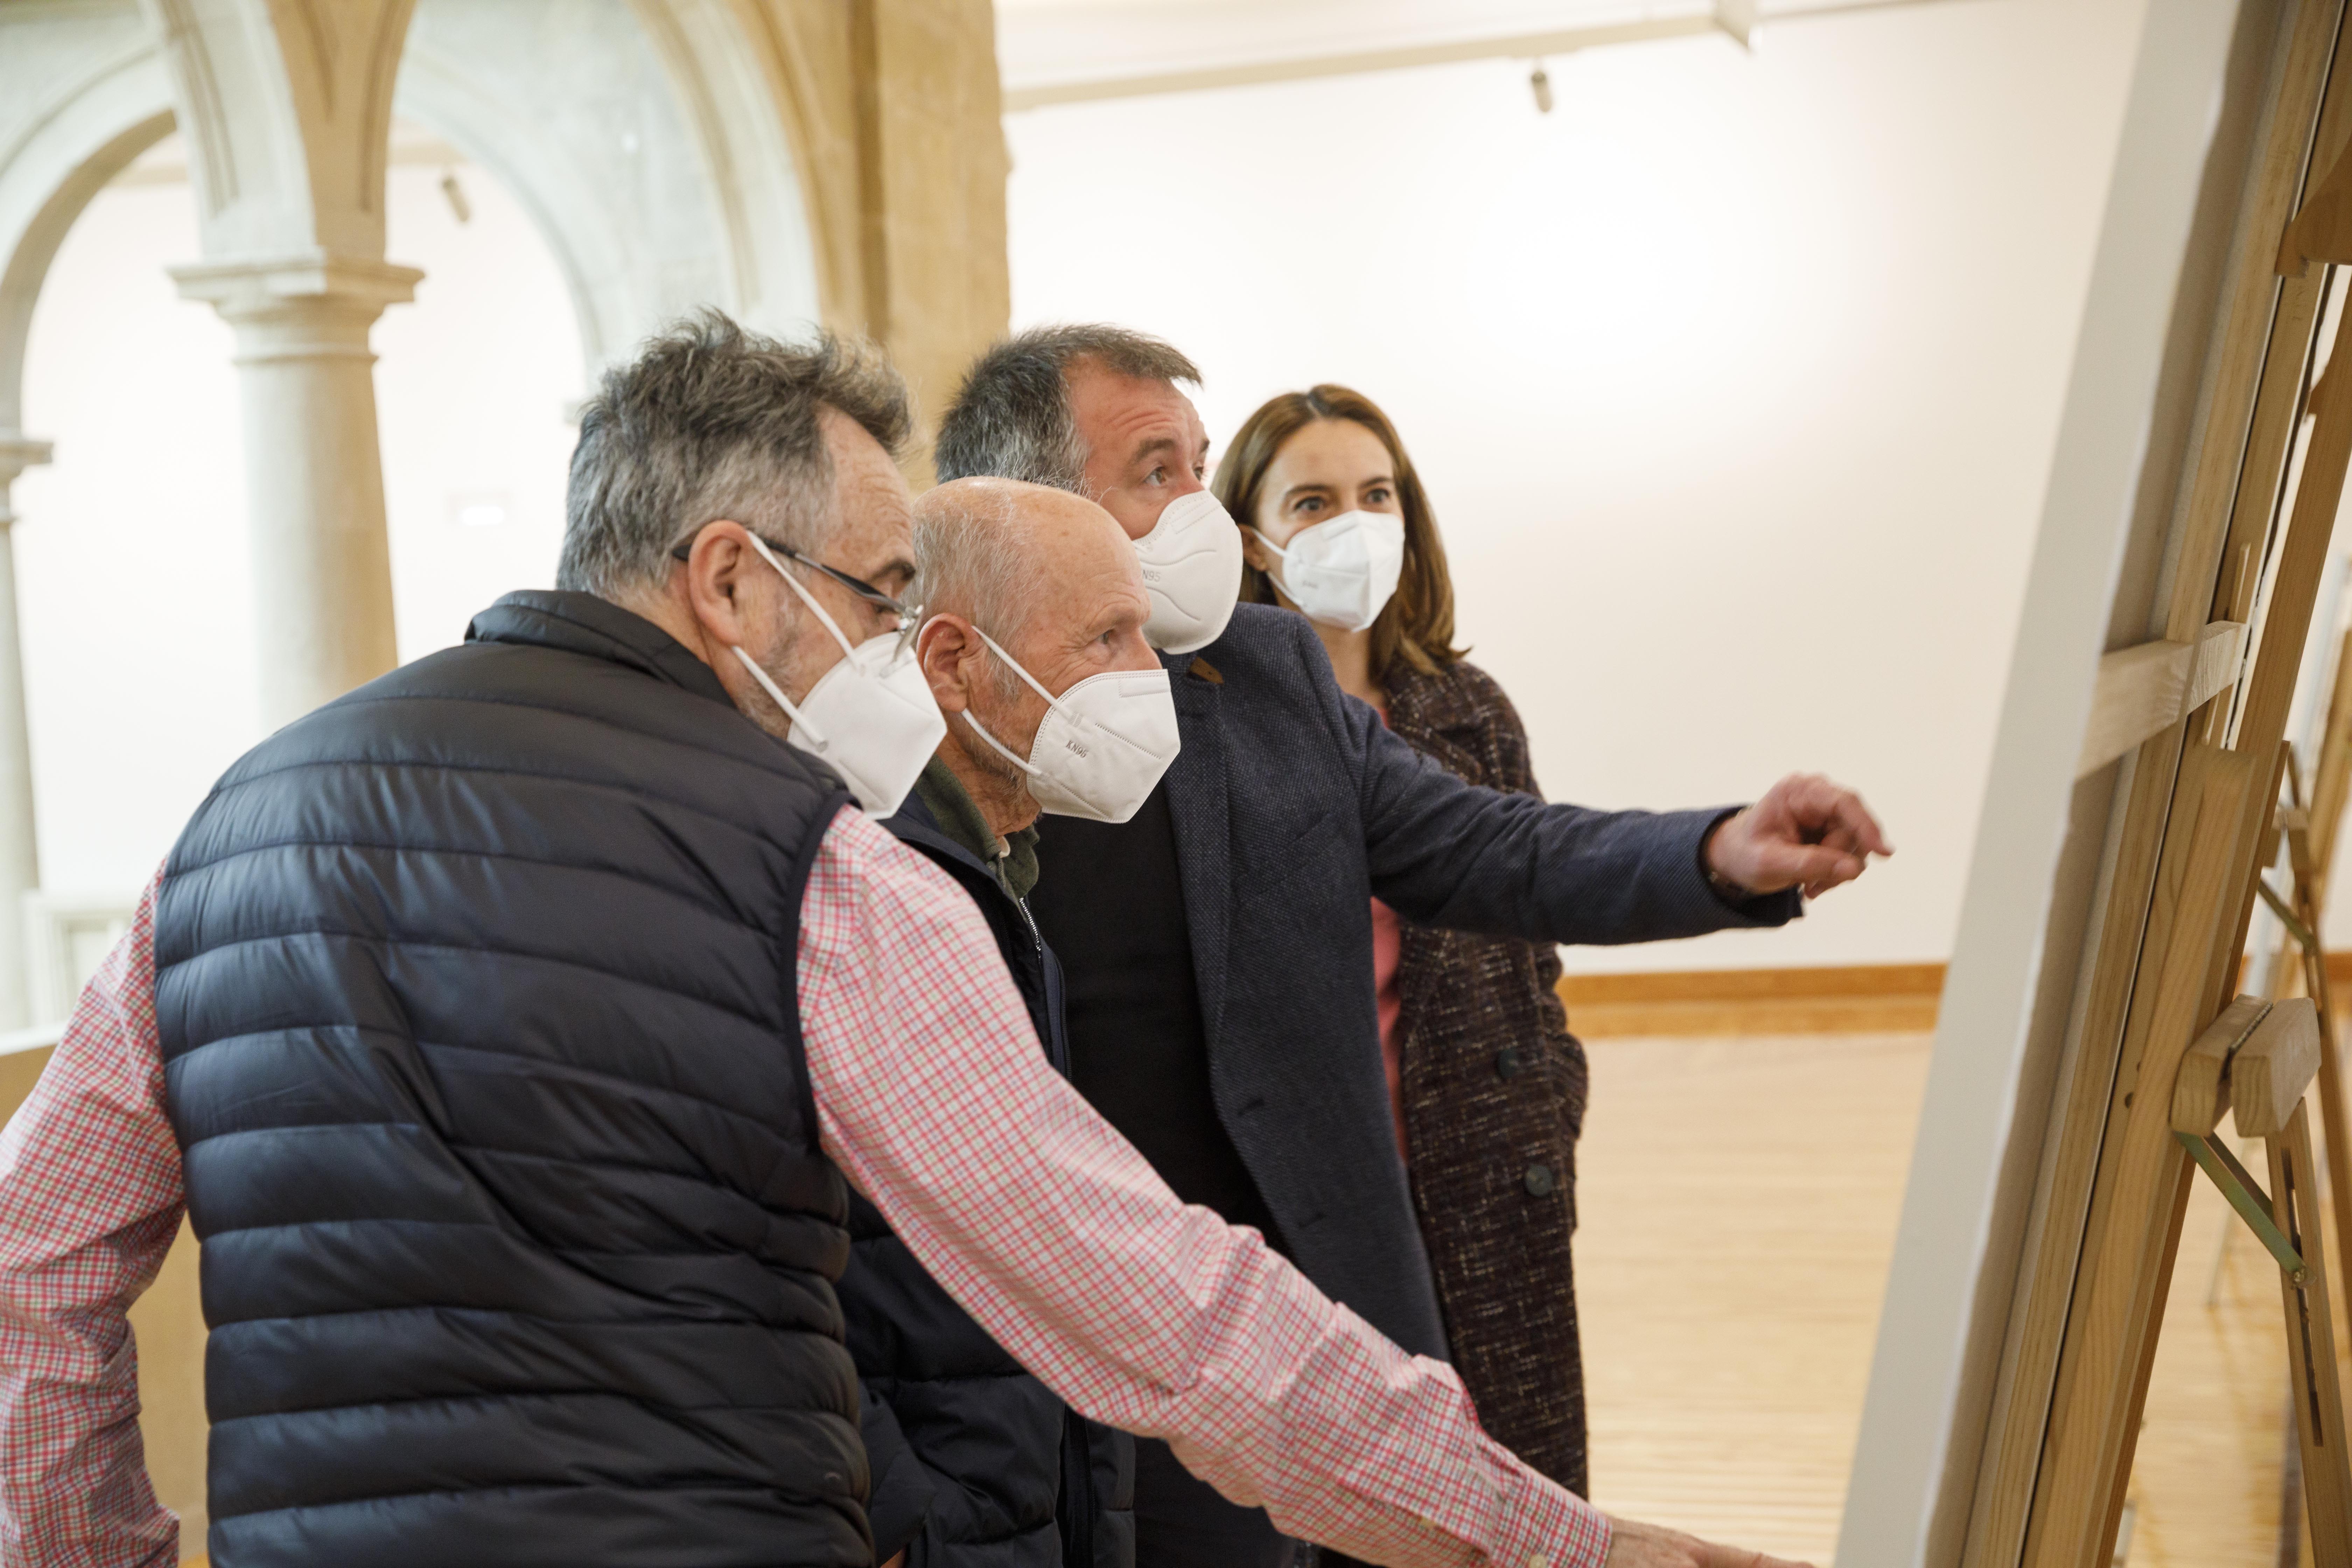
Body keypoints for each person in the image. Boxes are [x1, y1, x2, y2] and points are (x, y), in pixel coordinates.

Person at [0, 312, 1809, 1568]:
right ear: (727, 575)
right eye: (876, 594)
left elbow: (34, 1278)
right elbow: (1152, 1307)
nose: (899, 648)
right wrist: (1542, 1536)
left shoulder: (236, 822)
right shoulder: (816, 869)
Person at [933, 324, 1890, 1568]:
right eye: (1155, 469)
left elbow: (1492, 847)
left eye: (1198, 463)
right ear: (1034, 509)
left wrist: (1718, 854)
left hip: (1338, 1289)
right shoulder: (942, 740)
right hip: (1118, 1335)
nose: (1198, 510)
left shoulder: (1265, 671)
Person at [1215, 382, 1590, 1495]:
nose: (1356, 525)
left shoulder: (1468, 709)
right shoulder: (1217, 724)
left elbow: (1534, 945)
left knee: (1517, 1489)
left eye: (1377, 495)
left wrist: (1552, 1105)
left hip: (1480, 1167)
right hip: (1314, 1188)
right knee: (1358, 1498)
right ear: (1255, 539)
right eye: (1315, 501)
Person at [845, 475, 1164, 1568]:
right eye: (1106, 638)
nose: (1148, 677)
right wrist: (899, 1512)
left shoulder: (1001, 869)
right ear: (950, 662)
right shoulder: (874, 889)